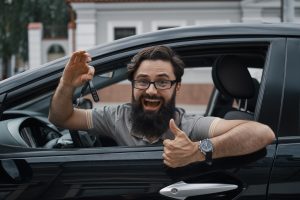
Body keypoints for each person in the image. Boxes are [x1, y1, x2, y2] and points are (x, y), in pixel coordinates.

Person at [49, 45, 275, 168]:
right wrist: (67, 84)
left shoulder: (189, 124)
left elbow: (262, 132)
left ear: (176, 87)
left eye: (163, 82)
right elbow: (62, 118)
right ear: (134, 85)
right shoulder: (116, 117)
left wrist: (198, 150)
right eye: (143, 81)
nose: (151, 90)